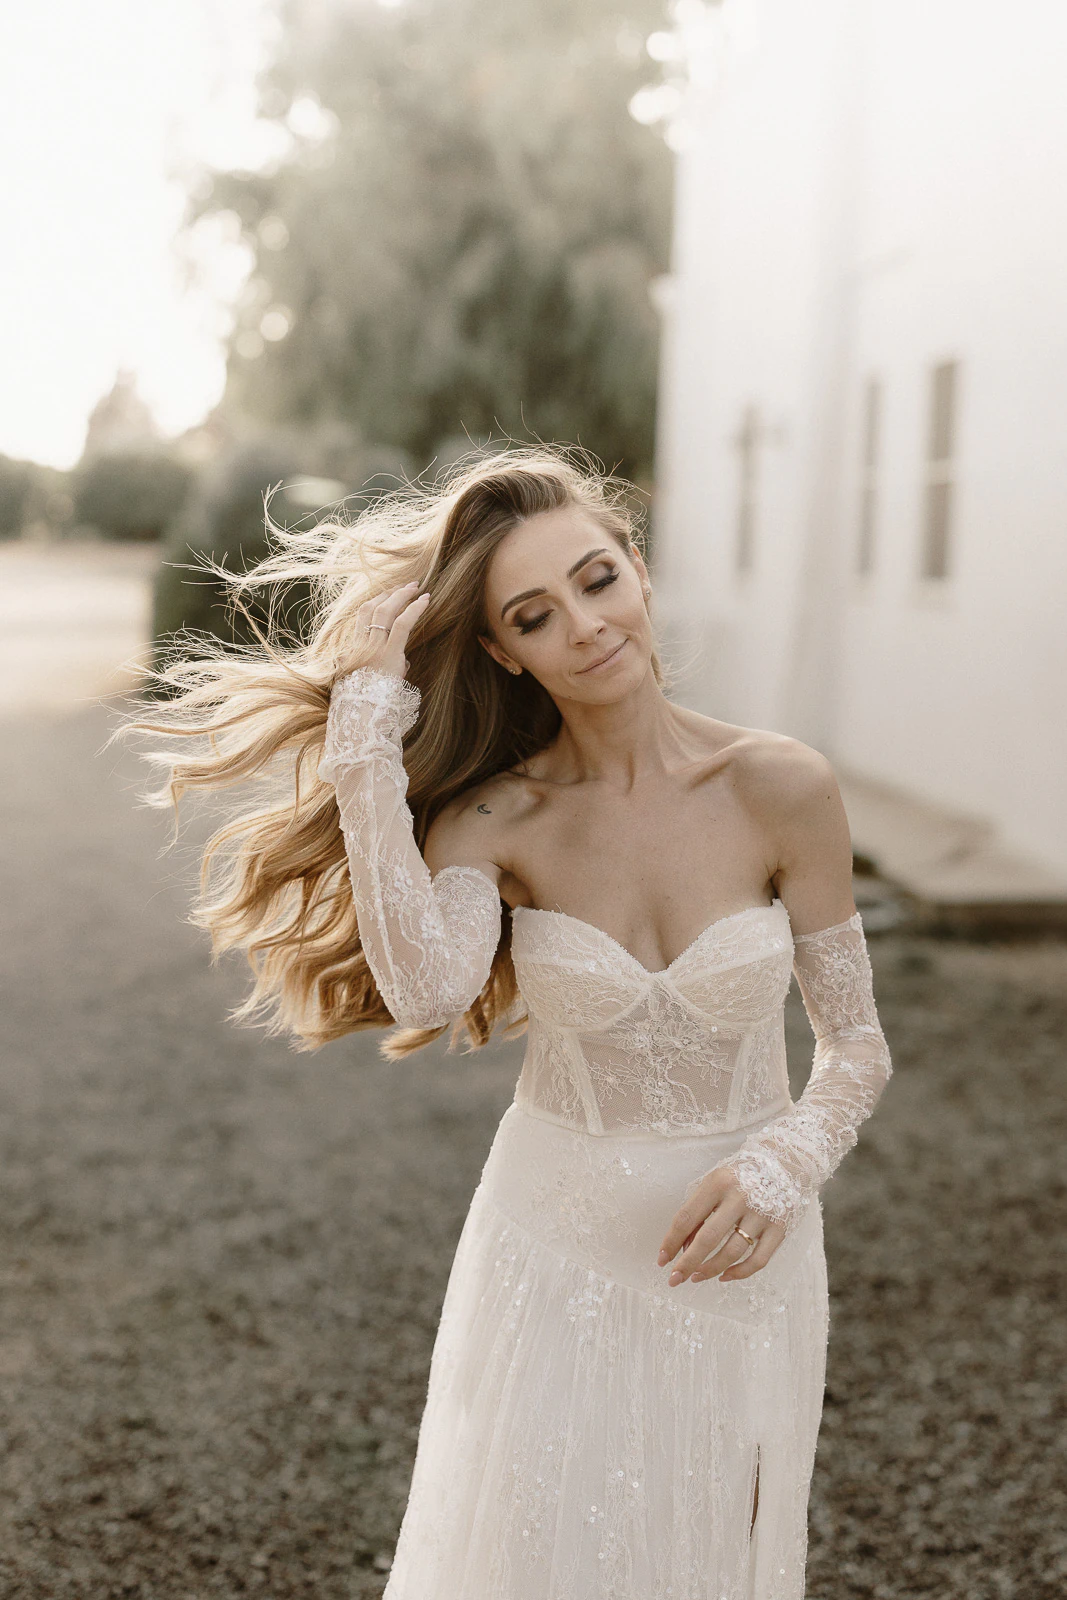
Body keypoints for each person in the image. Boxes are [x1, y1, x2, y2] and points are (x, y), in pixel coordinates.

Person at [123, 446, 892, 1599]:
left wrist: (783, 1165)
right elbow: (429, 988)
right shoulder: (500, 816)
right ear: (501, 649)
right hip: (551, 1248)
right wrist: (365, 742)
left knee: (706, 1556)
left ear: (636, 567)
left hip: (741, 1253)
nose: (584, 625)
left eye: (596, 579)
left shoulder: (779, 787)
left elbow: (852, 1046)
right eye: (534, 614)